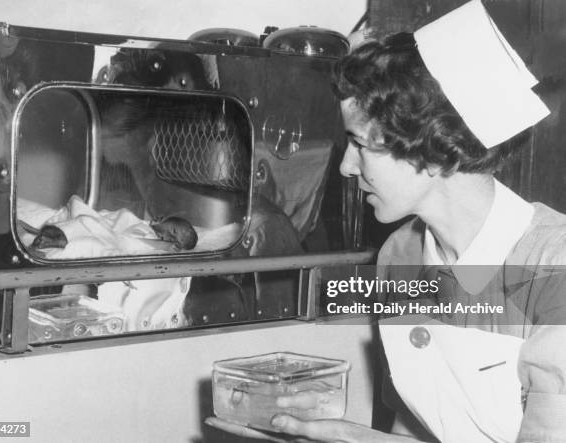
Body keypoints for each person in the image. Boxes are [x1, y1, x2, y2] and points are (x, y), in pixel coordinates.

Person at [206, 1, 566, 441]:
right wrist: (324, 434)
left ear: (432, 149)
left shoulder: (554, 264)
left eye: (360, 144)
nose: (346, 167)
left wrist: (351, 438)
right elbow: (414, 428)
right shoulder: (399, 256)